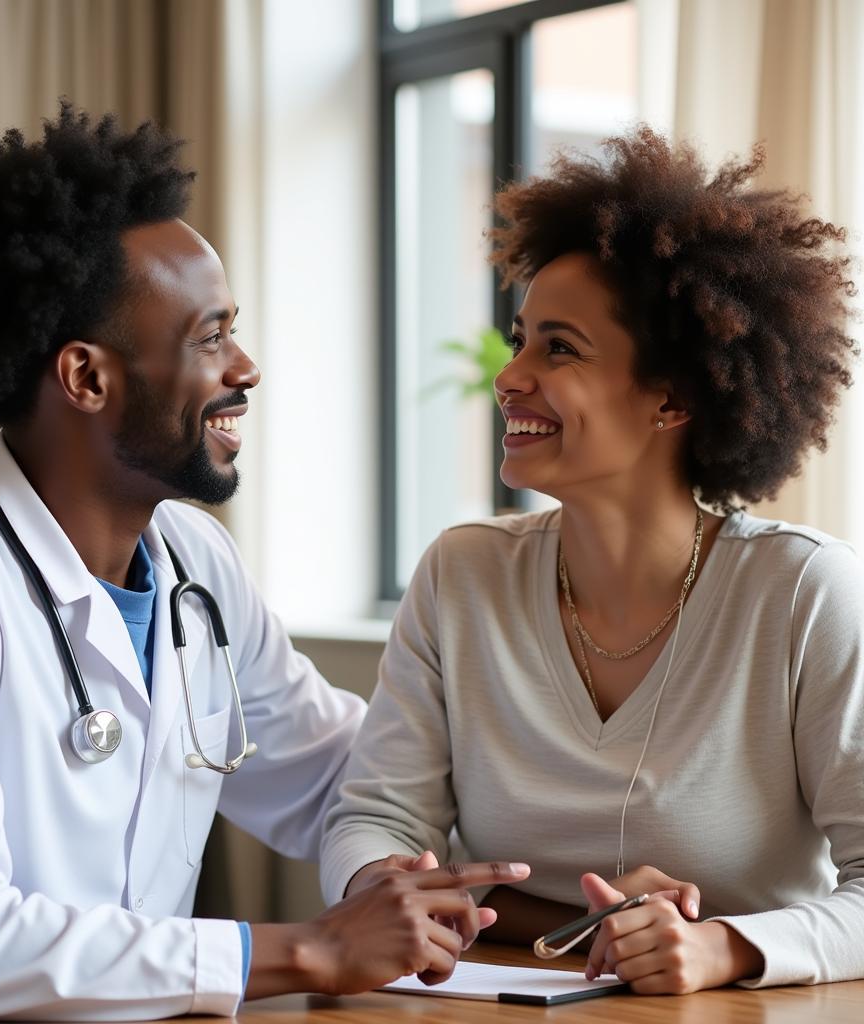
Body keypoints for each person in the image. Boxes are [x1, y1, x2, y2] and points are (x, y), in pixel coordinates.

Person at [0, 104, 528, 1024]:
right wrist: (308, 948)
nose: (245, 366)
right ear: (87, 378)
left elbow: (347, 778)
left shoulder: (194, 563)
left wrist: (589, 868)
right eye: (209, 337)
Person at [321, 126, 864, 995]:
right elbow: (377, 814)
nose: (510, 376)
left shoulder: (803, 591)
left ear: (673, 398)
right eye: (520, 338)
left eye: (559, 348)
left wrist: (724, 946)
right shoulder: (461, 574)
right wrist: (381, 884)